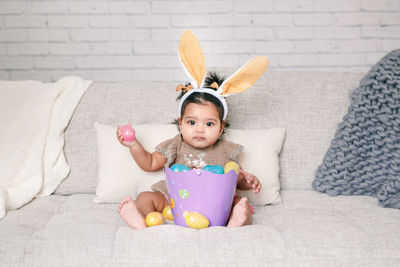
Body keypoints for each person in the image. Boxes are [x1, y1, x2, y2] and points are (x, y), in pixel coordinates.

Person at [117, 29, 268, 229]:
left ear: (221, 127)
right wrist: (133, 145)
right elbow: (150, 163)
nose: (200, 130)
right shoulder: (175, 145)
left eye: (209, 124)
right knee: (146, 197)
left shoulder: (225, 149)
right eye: (191, 122)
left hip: (215, 204)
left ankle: (235, 222)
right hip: (175, 200)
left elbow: (234, 178)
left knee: (240, 204)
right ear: (180, 123)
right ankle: (140, 218)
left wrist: (248, 180)